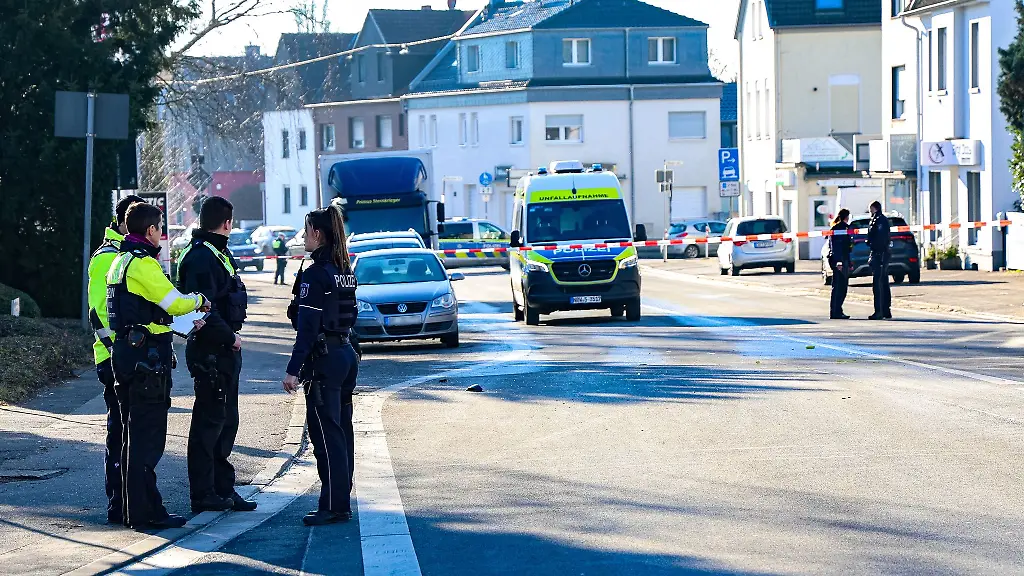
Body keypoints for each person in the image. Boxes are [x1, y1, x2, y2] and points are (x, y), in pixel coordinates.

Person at [107, 202, 209, 530]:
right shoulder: (143, 264)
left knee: (129, 438)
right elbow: (174, 303)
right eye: (160, 227)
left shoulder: (118, 261)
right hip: (147, 361)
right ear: (150, 231)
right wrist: (199, 300)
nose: (161, 234)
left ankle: (134, 508)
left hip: (125, 355)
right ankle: (144, 512)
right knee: (147, 440)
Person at [175, 197, 257, 514]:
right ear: (227, 223)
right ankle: (205, 492)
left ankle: (223, 488)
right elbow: (202, 307)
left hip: (223, 349)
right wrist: (229, 337)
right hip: (211, 350)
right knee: (209, 424)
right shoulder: (199, 258)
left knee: (225, 422)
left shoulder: (215, 253)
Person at [282, 203, 358, 526]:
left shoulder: (315, 274)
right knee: (342, 432)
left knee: (326, 436)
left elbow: (307, 327)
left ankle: (333, 505)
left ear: (317, 233)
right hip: (345, 355)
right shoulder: (344, 270)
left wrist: (292, 368)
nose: (303, 237)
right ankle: (340, 499)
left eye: (306, 231)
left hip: (325, 361)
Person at [87, 194, 145, 525]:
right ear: (124, 221)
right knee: (120, 431)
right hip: (114, 358)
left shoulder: (125, 255)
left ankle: (128, 501)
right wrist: (117, 351)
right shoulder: (106, 258)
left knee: (130, 430)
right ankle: (119, 503)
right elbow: (99, 314)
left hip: (126, 356)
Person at [867, 201, 893, 320]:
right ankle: (885, 310)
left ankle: (880, 311)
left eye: (870, 208)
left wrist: (875, 247)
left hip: (880, 254)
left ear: (874, 208)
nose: (869, 211)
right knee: (882, 282)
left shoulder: (879, 220)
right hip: (880, 253)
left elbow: (881, 238)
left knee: (878, 284)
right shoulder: (878, 219)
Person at [827, 208, 852, 320]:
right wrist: (839, 262)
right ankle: (835, 311)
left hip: (843, 260)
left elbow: (847, 247)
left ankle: (837, 310)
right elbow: (836, 247)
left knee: (841, 287)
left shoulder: (844, 228)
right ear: (846, 217)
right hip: (839, 261)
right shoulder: (839, 228)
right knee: (839, 287)